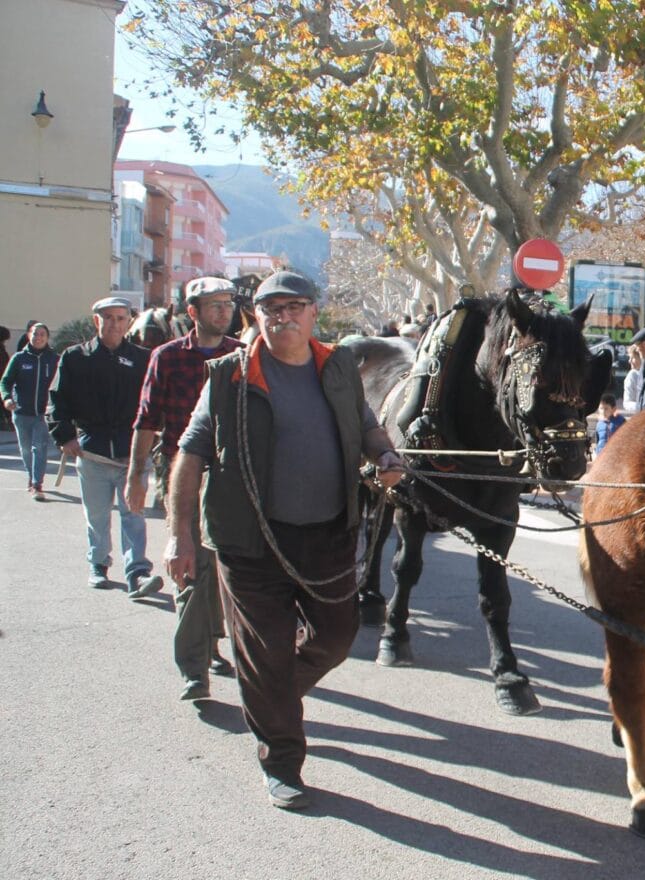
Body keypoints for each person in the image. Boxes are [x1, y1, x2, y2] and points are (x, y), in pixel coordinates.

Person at [166, 270, 405, 810]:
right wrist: (180, 536)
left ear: (313, 313)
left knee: (337, 638)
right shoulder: (229, 375)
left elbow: (366, 426)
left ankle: (271, 694)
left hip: (327, 535)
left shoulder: (338, 365)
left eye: (294, 306)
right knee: (265, 654)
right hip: (250, 543)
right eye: (271, 308)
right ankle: (282, 760)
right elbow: (191, 454)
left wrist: (384, 454)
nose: (284, 316)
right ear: (257, 316)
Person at [127, 277, 244, 700]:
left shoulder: (244, 355)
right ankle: (195, 670)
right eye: (213, 305)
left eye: (227, 304)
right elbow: (146, 420)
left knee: (223, 569)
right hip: (185, 476)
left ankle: (211, 643)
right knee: (192, 567)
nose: (222, 311)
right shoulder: (168, 358)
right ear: (191, 312)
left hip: (234, 479)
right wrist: (135, 475)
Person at [47, 296, 163, 595]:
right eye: (107, 318)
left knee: (133, 515)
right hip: (92, 453)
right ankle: (98, 564)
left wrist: (155, 440)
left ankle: (137, 571)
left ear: (128, 322)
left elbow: (155, 404)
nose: (114, 324)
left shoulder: (143, 359)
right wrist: (65, 437)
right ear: (96, 320)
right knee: (97, 516)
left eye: (120, 318)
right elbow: (56, 401)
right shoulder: (75, 358)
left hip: (132, 455)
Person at [1, 322, 56, 499]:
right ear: (28, 336)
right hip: (20, 412)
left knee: (38, 447)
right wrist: (7, 398)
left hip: (43, 413)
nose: (38, 337)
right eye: (35, 334)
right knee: (25, 449)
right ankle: (31, 476)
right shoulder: (19, 358)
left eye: (42, 334)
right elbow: (5, 382)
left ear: (47, 338)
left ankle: (36, 483)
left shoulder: (54, 359)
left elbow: (64, 385)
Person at [622, 344, 643, 413]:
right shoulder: (632, 375)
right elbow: (627, 403)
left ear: (641, 357)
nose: (629, 361)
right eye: (629, 357)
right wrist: (643, 407)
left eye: (632, 358)